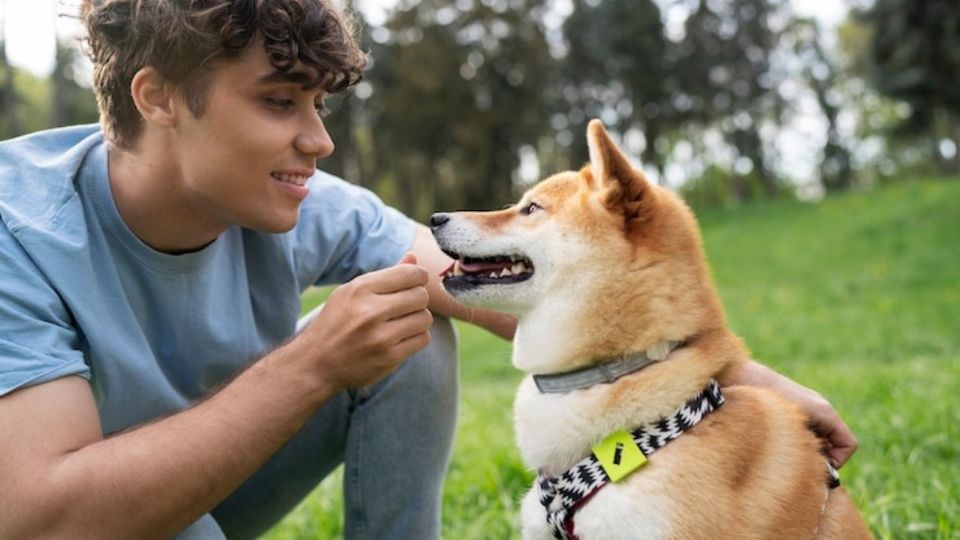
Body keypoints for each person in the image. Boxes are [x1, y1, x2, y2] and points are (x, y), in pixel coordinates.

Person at [0, 0, 856, 538]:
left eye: (319, 104)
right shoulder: (17, 231)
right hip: (82, 519)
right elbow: (42, 516)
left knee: (407, 322)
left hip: (194, 495)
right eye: (277, 101)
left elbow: (522, 292)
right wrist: (311, 365)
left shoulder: (302, 201)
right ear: (155, 97)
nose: (319, 140)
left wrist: (753, 381)